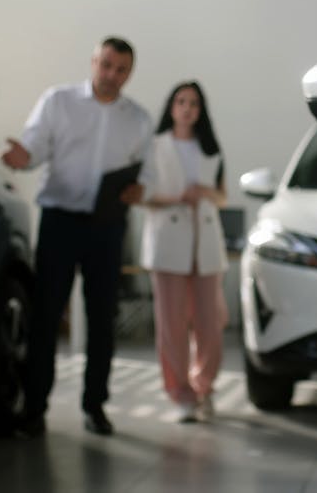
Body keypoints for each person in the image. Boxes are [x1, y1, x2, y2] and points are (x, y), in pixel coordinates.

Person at [0, 37, 153, 436]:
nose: (111, 75)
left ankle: (95, 405)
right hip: (60, 222)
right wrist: (22, 158)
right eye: (106, 65)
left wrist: (141, 191)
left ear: (129, 73)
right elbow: (33, 147)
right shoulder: (58, 101)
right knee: (47, 314)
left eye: (120, 69)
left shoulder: (138, 119)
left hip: (107, 227)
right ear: (93, 62)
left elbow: (148, 175)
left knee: (103, 318)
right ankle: (34, 408)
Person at [139, 81, 229, 423]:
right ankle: (180, 393)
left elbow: (222, 197)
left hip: (205, 243)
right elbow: (144, 195)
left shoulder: (211, 148)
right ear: (171, 106)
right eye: (180, 101)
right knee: (171, 324)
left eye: (193, 102)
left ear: (201, 109)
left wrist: (204, 192)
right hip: (167, 242)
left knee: (210, 323)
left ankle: (204, 386)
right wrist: (178, 198)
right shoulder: (154, 146)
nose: (187, 108)